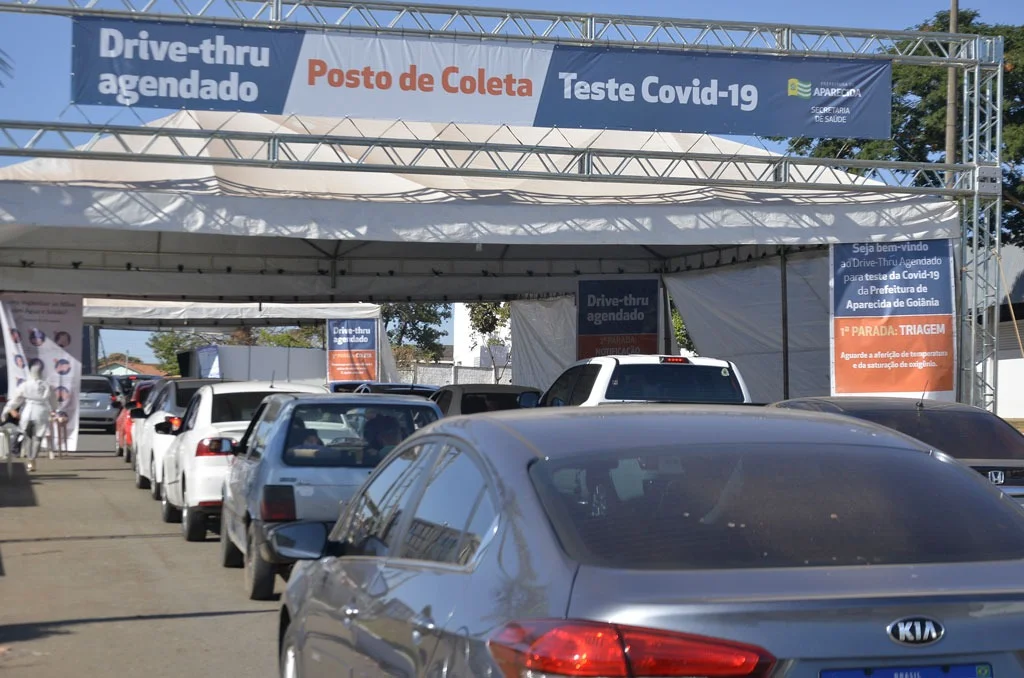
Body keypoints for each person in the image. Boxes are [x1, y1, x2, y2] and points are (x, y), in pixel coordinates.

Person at [0, 362, 59, 472]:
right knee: (37, 438)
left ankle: (30, 460)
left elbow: (15, 401)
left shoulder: (25, 385)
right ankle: (32, 459)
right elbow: (54, 402)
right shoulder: (47, 386)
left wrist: (6, 411)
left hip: (28, 411)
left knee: (27, 437)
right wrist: (55, 410)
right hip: (41, 412)